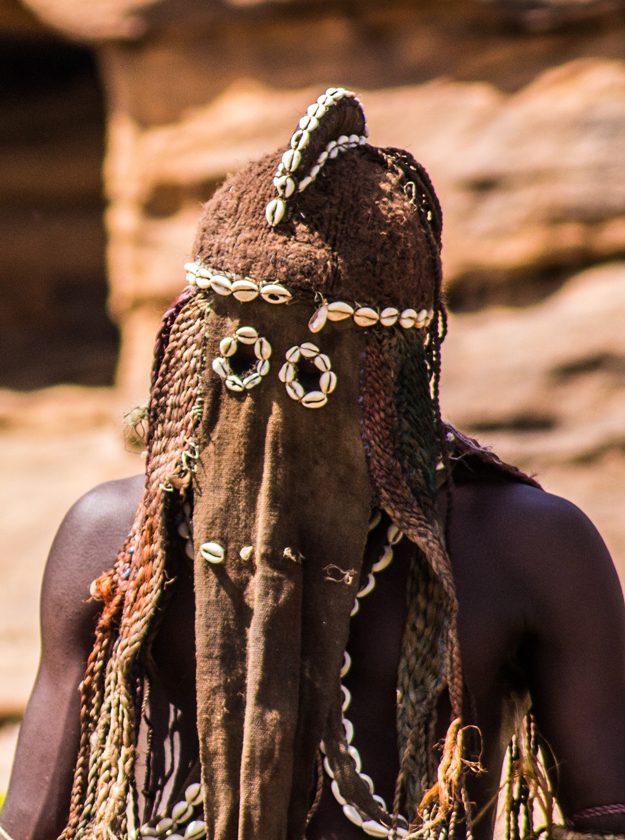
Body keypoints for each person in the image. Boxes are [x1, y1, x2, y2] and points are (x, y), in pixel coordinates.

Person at [2, 88, 625, 840]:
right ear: (197, 351)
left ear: (392, 368)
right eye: (243, 361)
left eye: (312, 373)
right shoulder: (117, 536)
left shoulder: (525, 545)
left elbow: (607, 818)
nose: (276, 412)